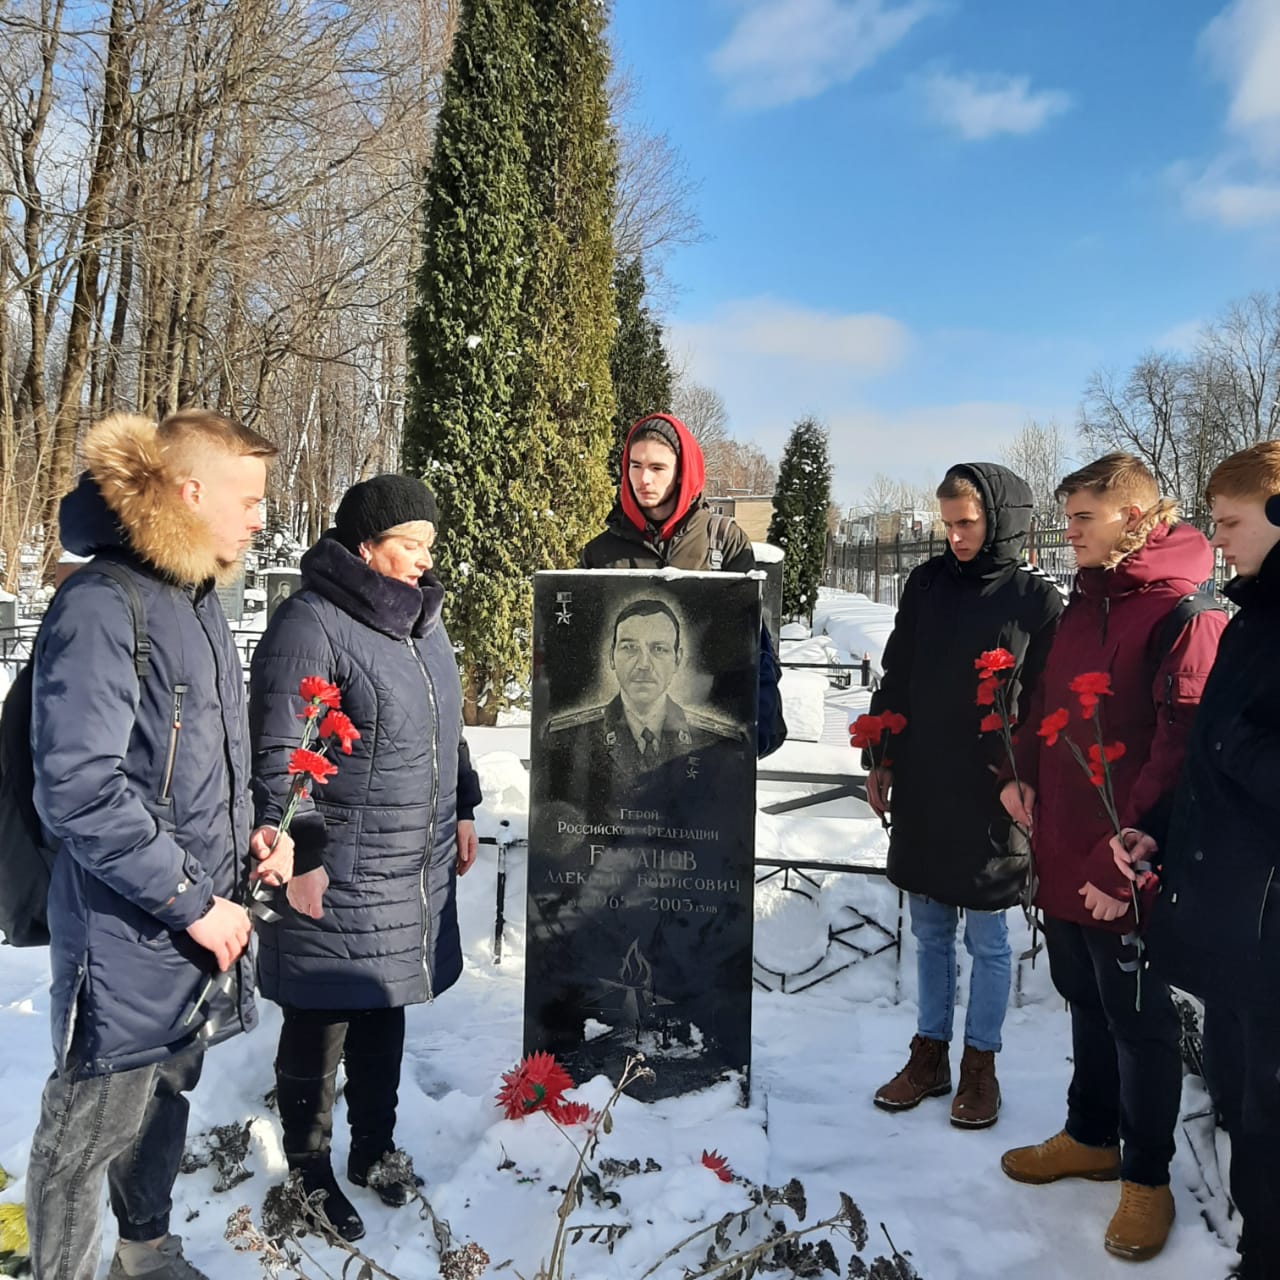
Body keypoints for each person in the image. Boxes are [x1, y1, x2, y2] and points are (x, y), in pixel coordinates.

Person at [24, 410, 290, 1280]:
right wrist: (192, 901)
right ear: (190, 492)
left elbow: (192, 762)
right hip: (122, 937)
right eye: (249, 500)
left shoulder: (198, 598)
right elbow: (79, 787)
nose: (261, 519)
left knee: (164, 1101)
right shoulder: (103, 605)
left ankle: (144, 1253)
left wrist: (253, 834)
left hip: (190, 929)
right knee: (86, 1136)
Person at [998, 453, 1226, 1263]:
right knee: (1086, 1000)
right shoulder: (1084, 604)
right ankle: (1091, 1135)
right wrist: (1021, 775)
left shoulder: (1181, 614)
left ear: (1133, 518)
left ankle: (1147, 1176)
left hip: (1128, 860)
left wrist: (1123, 857)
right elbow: (1046, 704)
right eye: (1066, 518)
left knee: (1138, 1021)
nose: (1067, 532)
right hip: (1064, 844)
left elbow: (1180, 748)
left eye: (1082, 518)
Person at [249, 474, 482, 1243]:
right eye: (410, 545)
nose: (424, 559)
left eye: (428, 546)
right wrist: (303, 853)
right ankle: (308, 1172)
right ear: (364, 546)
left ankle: (373, 1147)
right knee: (320, 1016)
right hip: (339, 860)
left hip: (408, 859)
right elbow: (282, 752)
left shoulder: (420, 620)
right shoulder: (312, 623)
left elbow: (447, 725)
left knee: (385, 1003)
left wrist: (465, 804)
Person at [1113, 442, 1280, 1280]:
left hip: (1269, 926)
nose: (1216, 539)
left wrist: (1233, 740)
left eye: (1231, 522)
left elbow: (1238, 751)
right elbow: (1211, 770)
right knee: (1246, 1111)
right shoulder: (1252, 617)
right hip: (1238, 925)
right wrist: (1160, 834)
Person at [869, 464, 1062, 1129]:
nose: (954, 536)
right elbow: (898, 672)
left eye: (967, 523)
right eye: (947, 523)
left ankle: (981, 1063)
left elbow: (1045, 704)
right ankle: (930, 1055)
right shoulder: (926, 585)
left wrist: (1020, 775)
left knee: (987, 935)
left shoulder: (1036, 602)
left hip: (992, 788)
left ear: (1000, 520)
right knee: (928, 930)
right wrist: (882, 754)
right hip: (925, 778)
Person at [578, 412, 785, 758]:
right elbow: (579, 654)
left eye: (658, 468)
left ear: (681, 472)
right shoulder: (599, 553)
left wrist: (757, 722)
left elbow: (750, 641)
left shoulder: (724, 542)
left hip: (710, 746)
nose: (644, 479)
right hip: (614, 757)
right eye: (635, 465)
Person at [544, 597, 746, 812]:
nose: (643, 664)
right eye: (630, 647)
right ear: (612, 656)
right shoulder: (565, 738)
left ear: (677, 659)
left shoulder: (718, 743)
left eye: (658, 649)